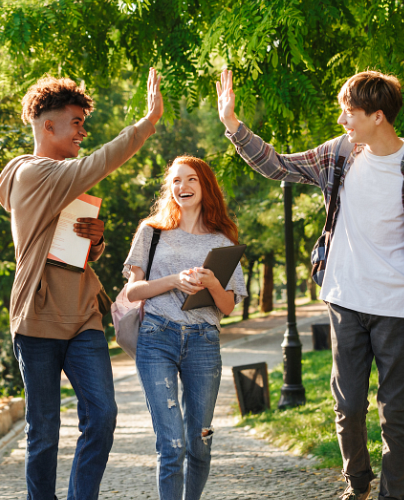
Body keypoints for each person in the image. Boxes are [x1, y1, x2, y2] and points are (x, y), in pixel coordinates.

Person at [216, 69, 404, 500]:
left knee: (396, 415)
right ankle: (357, 485)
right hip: (345, 299)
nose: (342, 122)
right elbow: (280, 165)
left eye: (349, 113)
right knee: (349, 407)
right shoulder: (341, 154)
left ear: (377, 116)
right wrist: (233, 125)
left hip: (398, 306)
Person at [0, 69, 164, 500]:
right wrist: (146, 125)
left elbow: (73, 249)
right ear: (47, 126)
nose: (82, 133)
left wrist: (97, 239)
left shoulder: (64, 179)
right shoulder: (33, 174)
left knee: (103, 415)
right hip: (38, 318)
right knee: (44, 431)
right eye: (76, 123)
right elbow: (98, 162)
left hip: (83, 314)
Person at [122, 155, 247, 500]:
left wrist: (212, 285)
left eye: (191, 179)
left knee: (199, 441)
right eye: (176, 181)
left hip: (204, 342)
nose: (183, 187)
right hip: (157, 337)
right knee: (172, 443)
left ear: (205, 186)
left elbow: (228, 305)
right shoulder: (152, 232)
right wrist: (175, 280)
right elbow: (133, 291)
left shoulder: (223, 239)